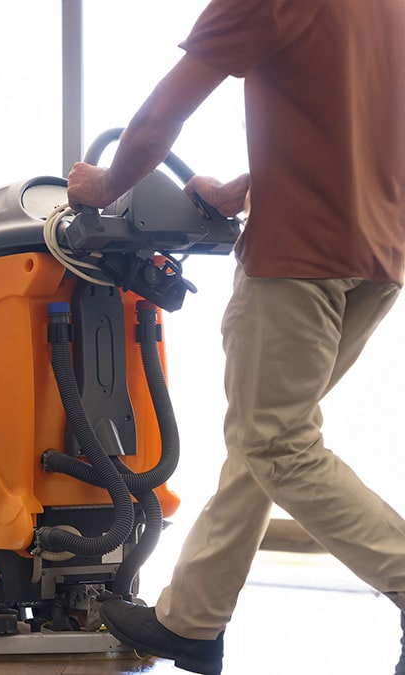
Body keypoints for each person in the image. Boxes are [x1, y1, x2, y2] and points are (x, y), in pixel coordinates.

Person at [65, 1, 405, 674]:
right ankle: (191, 619)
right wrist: (251, 185)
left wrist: (102, 185)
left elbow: (162, 114)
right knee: (264, 436)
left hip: (299, 259)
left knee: (277, 443)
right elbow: (357, 123)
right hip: (379, 252)